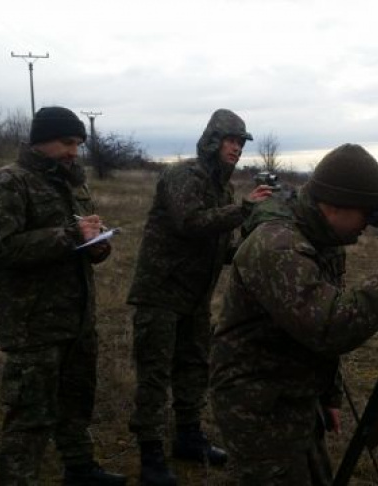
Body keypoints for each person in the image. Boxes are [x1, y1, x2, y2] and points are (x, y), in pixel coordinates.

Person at [210, 143, 378, 485]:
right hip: (257, 401)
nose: (369, 224)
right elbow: (330, 327)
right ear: (333, 205)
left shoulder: (323, 239)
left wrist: (328, 393)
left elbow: (321, 314)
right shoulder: (277, 245)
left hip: (297, 390)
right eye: (366, 212)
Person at [0, 106, 126, 485]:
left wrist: (98, 245)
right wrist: (72, 236)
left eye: (78, 144)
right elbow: (2, 248)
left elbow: (84, 243)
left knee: (77, 401)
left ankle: (80, 468)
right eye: (66, 142)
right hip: (33, 325)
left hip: (78, 318)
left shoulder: (73, 184)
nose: (74, 151)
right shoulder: (6, 184)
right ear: (40, 141)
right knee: (31, 416)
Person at [127, 109, 273, 485]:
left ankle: (188, 437)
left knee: (194, 366)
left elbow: (217, 245)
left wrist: (254, 243)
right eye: (231, 141)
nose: (237, 148)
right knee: (155, 375)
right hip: (162, 291)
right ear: (212, 141)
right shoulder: (184, 176)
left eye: (241, 143)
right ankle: (150, 454)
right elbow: (190, 223)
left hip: (195, 297)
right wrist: (244, 209)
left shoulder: (223, 189)